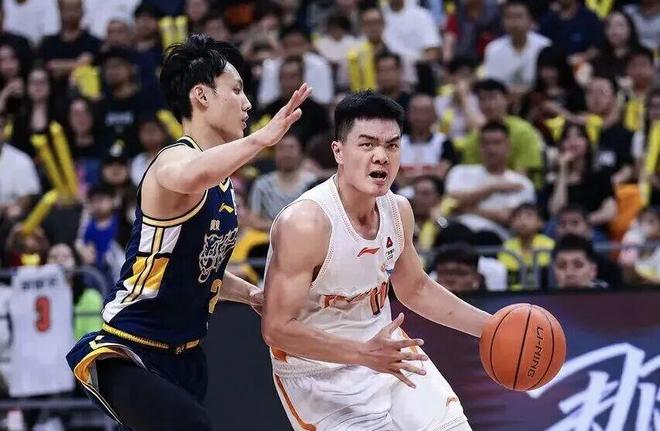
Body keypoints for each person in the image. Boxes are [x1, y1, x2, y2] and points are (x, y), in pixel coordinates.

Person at [66, 34, 311, 431]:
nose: (248, 103)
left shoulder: (224, 183)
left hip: (187, 358)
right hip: (130, 350)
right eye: (236, 90)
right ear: (201, 95)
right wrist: (264, 138)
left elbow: (200, 267)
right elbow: (190, 175)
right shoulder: (174, 160)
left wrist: (250, 294)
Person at [261, 91, 490, 430]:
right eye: (367, 144)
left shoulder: (398, 210)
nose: (381, 156)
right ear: (338, 151)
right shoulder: (306, 223)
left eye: (392, 146)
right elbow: (276, 329)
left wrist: (492, 328)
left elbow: (415, 288)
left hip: (386, 352)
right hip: (317, 371)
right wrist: (363, 353)